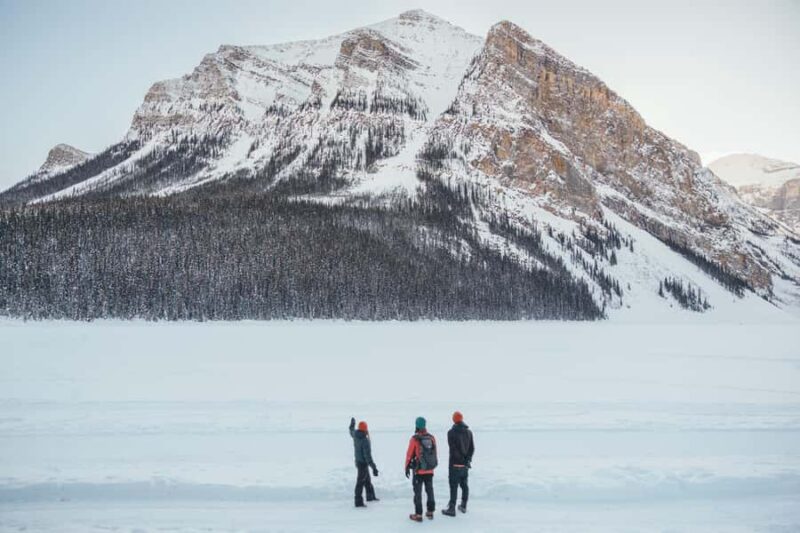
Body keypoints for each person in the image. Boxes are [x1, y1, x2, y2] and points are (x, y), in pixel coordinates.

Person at [405, 416, 438, 522]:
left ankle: (418, 515)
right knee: (430, 490)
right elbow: (434, 453)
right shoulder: (432, 438)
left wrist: (406, 467)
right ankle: (430, 511)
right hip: (430, 470)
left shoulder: (415, 439)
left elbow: (409, 454)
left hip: (419, 471)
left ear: (417, 425)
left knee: (418, 492)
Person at [442, 410, 474, 516]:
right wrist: (467, 460)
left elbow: (453, 449)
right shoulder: (469, 432)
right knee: (464, 485)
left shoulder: (451, 433)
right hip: (465, 465)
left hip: (454, 464)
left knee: (453, 486)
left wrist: (460, 460)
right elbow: (472, 448)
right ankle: (463, 505)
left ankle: (452, 508)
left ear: (454, 420)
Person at [349, 417, 379, 508]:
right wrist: (373, 467)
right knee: (360, 482)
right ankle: (358, 501)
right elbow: (368, 456)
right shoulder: (365, 441)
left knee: (367, 480)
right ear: (365, 429)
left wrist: (352, 424)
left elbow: (351, 431)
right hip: (363, 463)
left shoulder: (355, 434)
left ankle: (370, 496)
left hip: (358, 461)